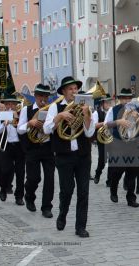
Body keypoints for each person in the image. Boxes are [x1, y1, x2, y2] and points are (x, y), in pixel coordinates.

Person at [43, 76, 95, 238]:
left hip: (83, 155)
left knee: (83, 192)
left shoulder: (85, 106)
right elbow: (46, 129)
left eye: (75, 89)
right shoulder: (55, 107)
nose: (74, 91)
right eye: (71, 89)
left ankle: (80, 227)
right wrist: (60, 117)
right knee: (66, 190)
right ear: (64, 91)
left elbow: (90, 132)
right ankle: (62, 214)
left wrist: (87, 115)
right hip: (63, 155)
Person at [17, 84, 55, 218]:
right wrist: (29, 123)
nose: (43, 99)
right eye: (40, 95)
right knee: (34, 178)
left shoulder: (52, 110)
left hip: (47, 147)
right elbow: (19, 129)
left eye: (45, 96)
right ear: (35, 96)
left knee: (50, 179)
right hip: (32, 148)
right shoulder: (26, 110)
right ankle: (29, 196)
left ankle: (46, 207)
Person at [104, 88, 139, 208]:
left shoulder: (136, 110)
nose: (126, 101)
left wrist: (138, 118)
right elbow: (106, 124)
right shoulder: (113, 109)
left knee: (133, 172)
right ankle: (113, 190)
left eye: (128, 98)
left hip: (133, 143)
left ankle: (131, 198)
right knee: (117, 171)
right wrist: (118, 122)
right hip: (119, 143)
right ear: (120, 99)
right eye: (124, 98)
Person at [0, 94, 25, 205]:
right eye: (7, 104)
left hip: (19, 146)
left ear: (16, 105)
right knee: (5, 170)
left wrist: (17, 118)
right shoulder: (0, 115)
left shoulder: (21, 114)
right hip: (6, 146)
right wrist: (4, 124)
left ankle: (19, 196)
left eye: (12, 104)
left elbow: (24, 130)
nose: (10, 106)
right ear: (5, 105)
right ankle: (3, 189)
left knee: (20, 173)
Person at [92, 93, 112, 185]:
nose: (109, 104)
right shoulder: (97, 113)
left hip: (111, 139)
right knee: (102, 160)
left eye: (109, 102)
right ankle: (97, 174)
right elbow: (94, 125)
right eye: (107, 103)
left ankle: (109, 180)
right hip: (101, 139)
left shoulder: (112, 112)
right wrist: (105, 123)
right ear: (102, 103)